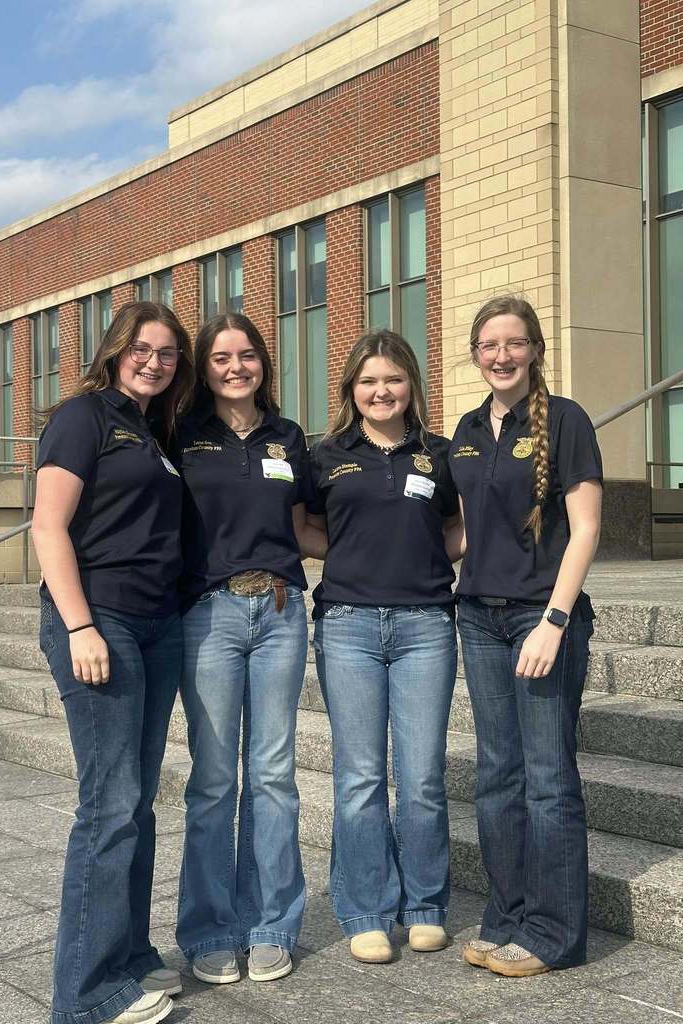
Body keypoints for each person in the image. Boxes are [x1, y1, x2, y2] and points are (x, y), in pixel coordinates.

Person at [32, 301, 194, 1024]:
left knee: (136, 802)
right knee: (109, 805)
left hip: (158, 625)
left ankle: (128, 957)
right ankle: (87, 993)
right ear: (116, 349)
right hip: (102, 621)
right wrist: (80, 626)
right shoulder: (85, 416)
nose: (154, 360)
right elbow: (47, 526)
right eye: (142, 348)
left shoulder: (151, 429)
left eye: (166, 353)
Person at [449, 294, 602, 978]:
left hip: (542, 619)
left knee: (546, 780)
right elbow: (462, 531)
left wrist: (555, 620)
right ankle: (505, 915)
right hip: (478, 617)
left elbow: (588, 528)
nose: (501, 355)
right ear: (477, 353)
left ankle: (553, 933)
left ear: (536, 349)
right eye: (489, 345)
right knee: (496, 778)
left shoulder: (566, 420)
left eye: (514, 343)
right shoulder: (469, 426)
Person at [172, 312, 324, 986]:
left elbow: (304, 528)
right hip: (208, 615)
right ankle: (209, 930)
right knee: (212, 780)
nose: (236, 368)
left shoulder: (288, 438)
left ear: (264, 362)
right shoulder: (182, 434)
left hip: (282, 613)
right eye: (222, 358)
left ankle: (269, 926)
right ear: (204, 368)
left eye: (248, 356)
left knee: (272, 775)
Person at [306, 329, 460, 964]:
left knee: (422, 775)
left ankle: (424, 906)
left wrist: (424, 559)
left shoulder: (441, 454)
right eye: (368, 381)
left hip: (426, 624)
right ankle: (366, 910)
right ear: (351, 390)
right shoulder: (325, 456)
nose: (381, 391)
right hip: (348, 625)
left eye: (393, 379)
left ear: (411, 387)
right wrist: (354, 559)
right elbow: (301, 530)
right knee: (361, 775)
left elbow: (460, 526)